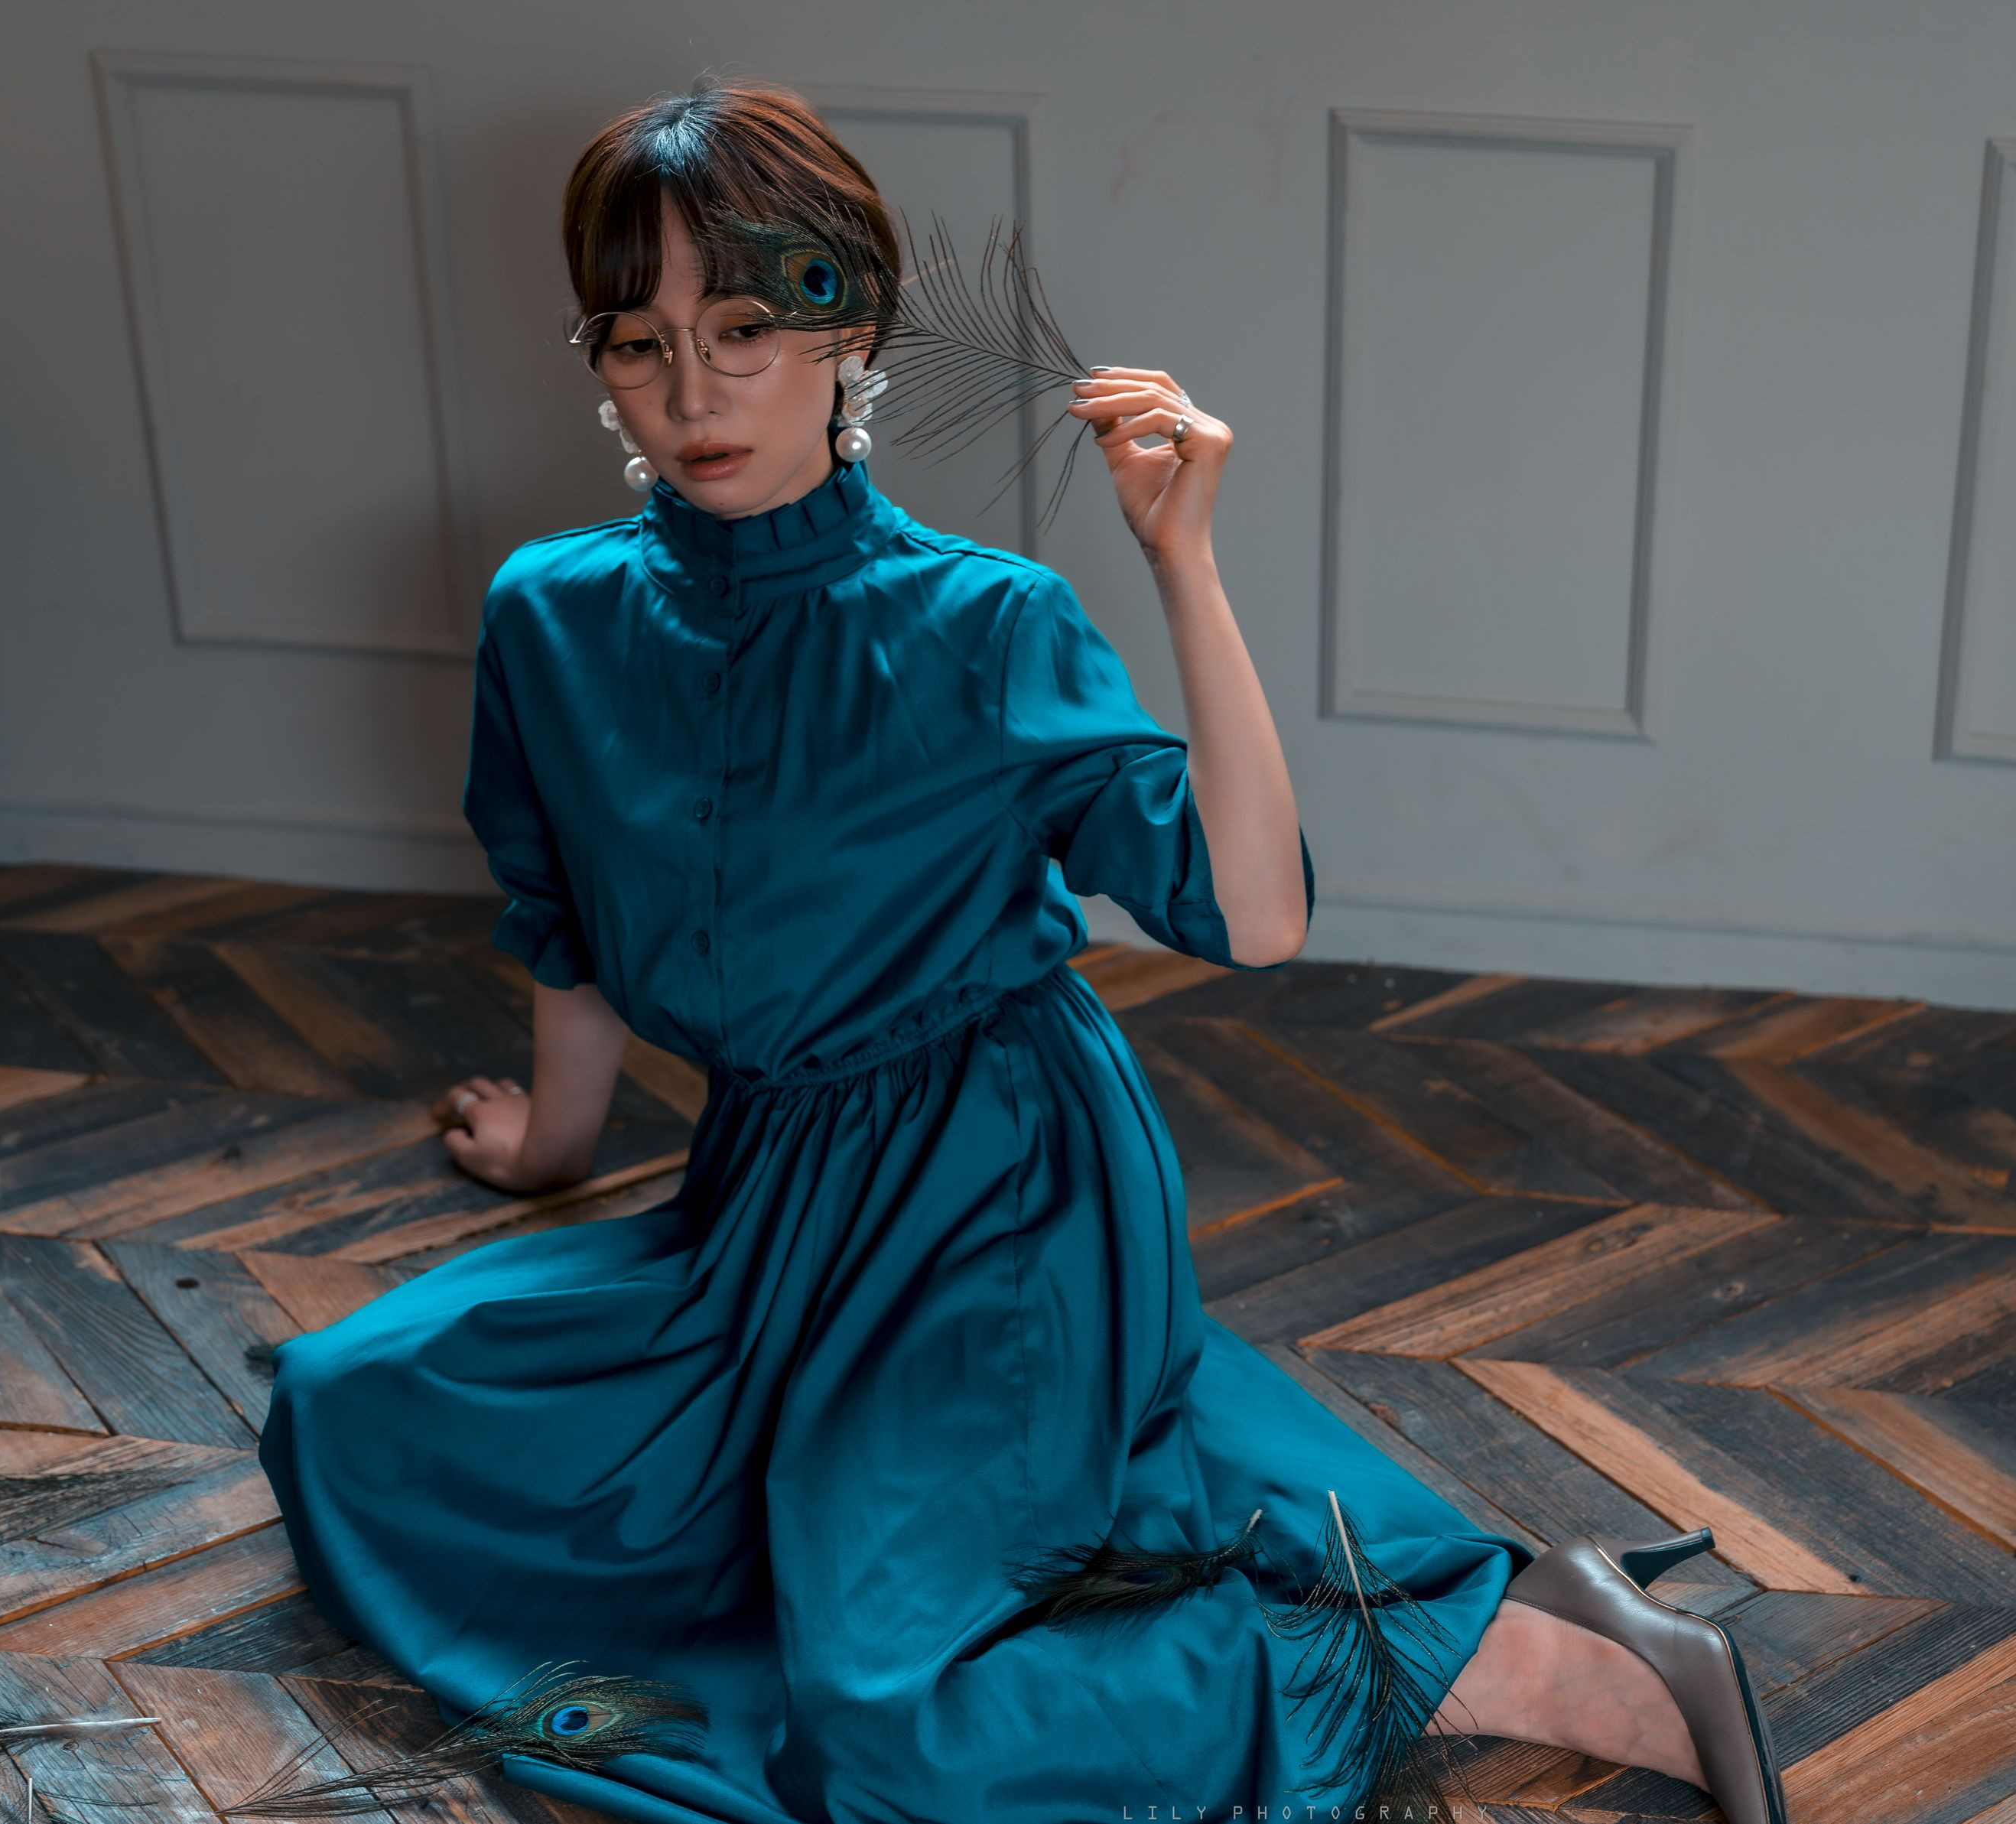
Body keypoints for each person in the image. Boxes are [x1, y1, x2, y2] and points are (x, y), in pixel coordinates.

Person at [255, 76, 1785, 1824]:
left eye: (744, 329)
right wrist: (550, 1143)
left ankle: (1520, 1659)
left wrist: (1184, 565)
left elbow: (1255, 914)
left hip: (1001, 1193)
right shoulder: (553, 612)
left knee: (889, 1728)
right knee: (348, 1407)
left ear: (849, 332)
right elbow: (566, 920)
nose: (693, 392)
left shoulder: (984, 625)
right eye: (639, 342)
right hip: (763, 1204)